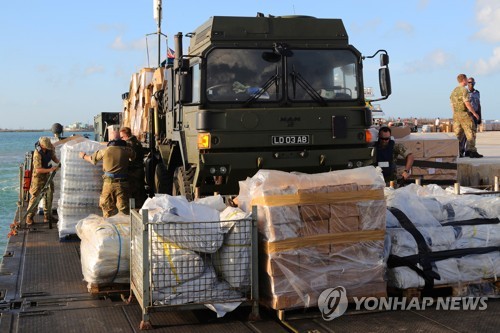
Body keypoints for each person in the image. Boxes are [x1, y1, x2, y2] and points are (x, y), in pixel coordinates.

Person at [79, 134, 135, 217]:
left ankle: (109, 226)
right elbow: (133, 157)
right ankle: (125, 227)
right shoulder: (127, 150)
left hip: (109, 184)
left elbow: (92, 160)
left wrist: (83, 155)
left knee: (107, 208)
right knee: (124, 209)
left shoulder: (105, 151)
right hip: (123, 184)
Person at [26, 137, 60, 225]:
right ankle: (29, 217)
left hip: (47, 176)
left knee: (49, 194)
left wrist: (60, 162)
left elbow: (53, 157)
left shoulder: (49, 148)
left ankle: (47, 216)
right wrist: (51, 169)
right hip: (38, 177)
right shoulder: (37, 153)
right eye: (46, 147)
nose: (48, 148)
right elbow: (38, 170)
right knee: (35, 197)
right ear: (41, 145)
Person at [450, 74, 482, 158]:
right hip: (464, 114)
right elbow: (467, 103)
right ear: (464, 80)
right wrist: (475, 113)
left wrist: (455, 114)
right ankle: (472, 151)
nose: (468, 81)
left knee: (458, 134)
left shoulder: (454, 91)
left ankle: (457, 152)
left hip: (456, 115)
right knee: (471, 132)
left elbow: (452, 104)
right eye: (466, 79)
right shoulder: (464, 90)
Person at [119, 127, 147, 208]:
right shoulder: (137, 142)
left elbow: (129, 157)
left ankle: (136, 208)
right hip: (139, 169)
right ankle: (142, 206)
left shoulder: (129, 144)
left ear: (126, 135)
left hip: (133, 170)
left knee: (133, 191)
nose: (121, 139)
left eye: (122, 137)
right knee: (140, 189)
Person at [460, 77, 482, 156]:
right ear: (467, 83)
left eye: (472, 83)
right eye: (469, 82)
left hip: (475, 115)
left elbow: (479, 105)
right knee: (465, 134)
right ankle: (461, 150)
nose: (471, 84)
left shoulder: (477, 93)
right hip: (467, 115)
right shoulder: (464, 92)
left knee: (473, 134)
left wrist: (480, 116)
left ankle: (469, 151)